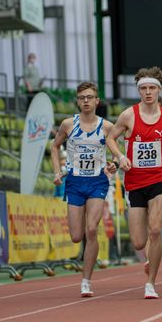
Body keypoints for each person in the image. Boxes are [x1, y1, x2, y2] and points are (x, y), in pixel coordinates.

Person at [107, 66, 162, 299]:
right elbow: (110, 138)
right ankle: (148, 256)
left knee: (156, 230)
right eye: (143, 88)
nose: (148, 92)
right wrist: (120, 156)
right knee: (138, 242)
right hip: (134, 182)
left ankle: (151, 283)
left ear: (158, 90)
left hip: (159, 179)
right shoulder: (128, 115)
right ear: (139, 91)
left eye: (152, 88)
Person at [51, 81, 116, 297]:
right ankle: (86, 273)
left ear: (97, 101)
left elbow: (117, 150)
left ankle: (86, 281)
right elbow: (54, 146)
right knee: (77, 236)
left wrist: (114, 163)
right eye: (82, 98)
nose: (86, 101)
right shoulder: (68, 124)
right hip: (75, 183)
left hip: (97, 181)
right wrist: (57, 171)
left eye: (90, 97)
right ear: (78, 102)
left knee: (91, 229)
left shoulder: (106, 126)